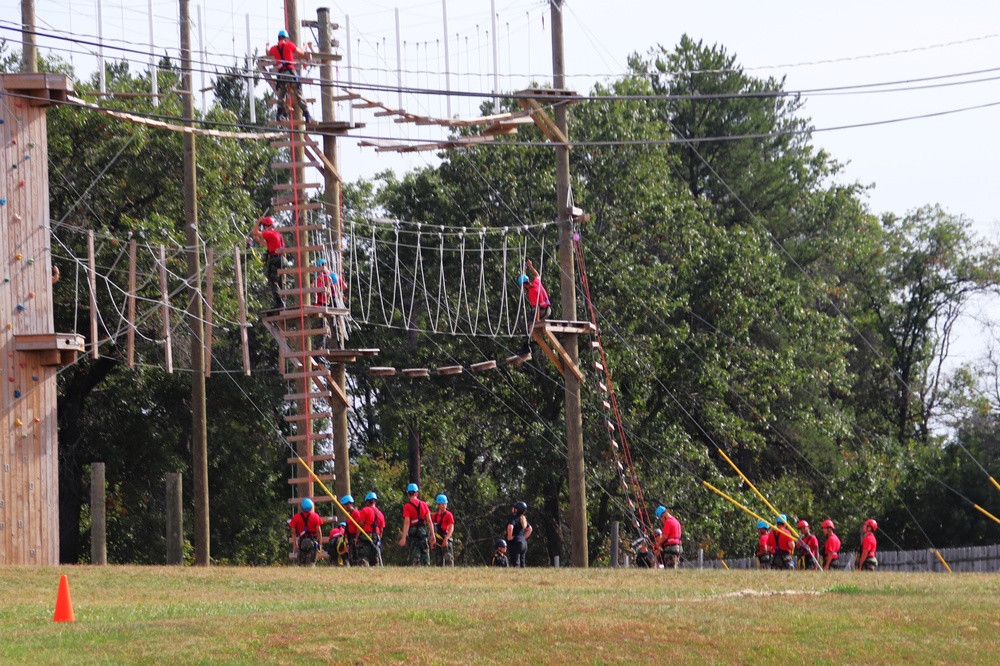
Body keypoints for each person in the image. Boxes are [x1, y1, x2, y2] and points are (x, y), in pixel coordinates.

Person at [266, 29, 312, 122]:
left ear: (279, 39)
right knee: (298, 93)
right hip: (291, 73)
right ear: (286, 38)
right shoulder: (289, 45)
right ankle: (307, 114)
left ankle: (278, 115)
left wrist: (267, 45)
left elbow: (267, 52)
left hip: (281, 75)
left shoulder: (274, 48)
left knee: (281, 95)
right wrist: (305, 45)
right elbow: (302, 53)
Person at [516, 259, 551, 357]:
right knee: (527, 320)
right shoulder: (536, 282)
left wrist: (537, 321)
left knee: (525, 325)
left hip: (543, 311)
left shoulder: (532, 293)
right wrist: (530, 267)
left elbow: (537, 309)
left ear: (524, 285)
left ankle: (526, 348)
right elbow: (537, 275)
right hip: (546, 309)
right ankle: (526, 346)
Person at [251, 215, 286, 309]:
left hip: (275, 259)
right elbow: (269, 245)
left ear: (266, 226)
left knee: (272, 281)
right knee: (281, 281)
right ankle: (283, 300)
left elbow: (254, 232)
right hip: (283, 259)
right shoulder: (277, 234)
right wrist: (259, 240)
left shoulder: (269, 233)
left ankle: (279, 302)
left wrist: (258, 221)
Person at [398, 483, 434, 566]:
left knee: (415, 552)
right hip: (423, 530)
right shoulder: (424, 504)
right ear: (417, 493)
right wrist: (433, 535)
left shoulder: (407, 506)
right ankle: (426, 566)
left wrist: (403, 538)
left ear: (408, 494)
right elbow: (429, 520)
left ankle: (416, 565)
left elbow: (407, 523)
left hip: (413, 531)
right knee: (425, 551)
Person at [289, 498, 323, 566]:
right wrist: (320, 544)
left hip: (302, 542)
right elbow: (319, 531)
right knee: (311, 563)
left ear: (302, 507)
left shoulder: (296, 517)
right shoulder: (315, 516)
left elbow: (293, 532)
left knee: (301, 563)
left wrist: (295, 544)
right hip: (312, 541)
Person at [356, 492, 384, 566]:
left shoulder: (365, 510)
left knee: (364, 557)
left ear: (367, 502)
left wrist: (357, 537)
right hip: (376, 536)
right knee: (375, 557)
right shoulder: (380, 513)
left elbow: (360, 525)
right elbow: (381, 530)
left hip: (366, 535)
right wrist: (379, 539)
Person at [506, 501, 533, 567]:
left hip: (515, 543)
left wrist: (509, 537)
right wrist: (523, 537)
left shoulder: (513, 518)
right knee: (522, 564)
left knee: (515, 564)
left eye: (514, 508)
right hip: (524, 544)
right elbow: (530, 529)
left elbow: (510, 527)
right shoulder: (523, 519)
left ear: (517, 510)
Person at [432, 494, 455, 567]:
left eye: (445, 504)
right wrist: (432, 540)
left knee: (448, 558)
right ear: (438, 505)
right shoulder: (434, 516)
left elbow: (451, 527)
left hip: (446, 537)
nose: (445, 505)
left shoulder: (449, 515)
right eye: (443, 504)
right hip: (437, 539)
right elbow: (432, 528)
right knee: (438, 560)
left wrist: (446, 539)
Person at [340, 494, 362, 564]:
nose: (344, 508)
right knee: (350, 558)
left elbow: (359, 526)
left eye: (344, 506)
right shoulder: (350, 515)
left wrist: (357, 538)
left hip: (354, 537)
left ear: (348, 505)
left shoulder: (356, 513)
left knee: (355, 558)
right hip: (350, 538)